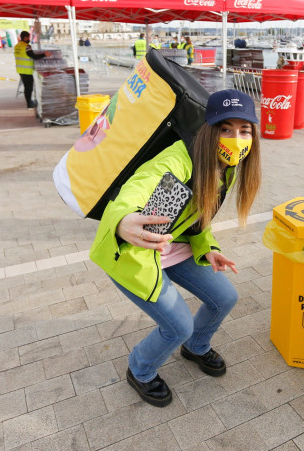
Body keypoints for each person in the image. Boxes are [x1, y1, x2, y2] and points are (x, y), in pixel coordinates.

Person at [89, 89, 261, 407]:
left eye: (244, 129)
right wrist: (123, 219)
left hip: (173, 244)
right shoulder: (180, 159)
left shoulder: (228, 165)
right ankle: (140, 370)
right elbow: (140, 186)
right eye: (226, 128)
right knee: (177, 325)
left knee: (225, 297)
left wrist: (208, 247)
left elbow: (198, 215)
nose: (236, 138)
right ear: (209, 129)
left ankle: (196, 346)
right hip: (136, 252)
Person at [14, 31, 51, 109]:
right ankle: (29, 104)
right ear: (25, 37)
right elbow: (33, 56)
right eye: (28, 37)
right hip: (27, 71)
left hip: (20, 70)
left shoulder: (17, 46)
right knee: (28, 88)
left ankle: (29, 102)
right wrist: (44, 54)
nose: (29, 39)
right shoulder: (27, 46)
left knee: (26, 87)